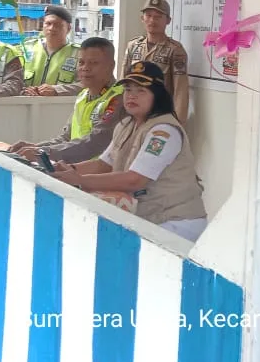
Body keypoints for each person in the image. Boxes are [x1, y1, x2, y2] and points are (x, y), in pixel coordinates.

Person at [48, 61, 207, 242]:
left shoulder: (164, 131)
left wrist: (81, 181)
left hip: (176, 222)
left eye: (141, 91)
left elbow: (135, 180)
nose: (132, 96)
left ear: (158, 96)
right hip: (147, 217)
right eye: (128, 90)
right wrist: (66, 170)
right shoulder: (125, 125)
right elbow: (103, 164)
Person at [7, 37, 126, 164]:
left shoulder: (118, 97)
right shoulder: (83, 96)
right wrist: (35, 147)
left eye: (94, 63)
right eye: (81, 63)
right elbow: (65, 138)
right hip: (76, 171)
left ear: (111, 66)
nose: (85, 68)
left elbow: (96, 143)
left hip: (99, 176)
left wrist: (42, 152)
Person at [120, 0, 190, 122]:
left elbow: (181, 91)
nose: (152, 20)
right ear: (142, 18)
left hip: (160, 114)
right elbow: (123, 82)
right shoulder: (133, 46)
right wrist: (120, 115)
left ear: (168, 20)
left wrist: (178, 123)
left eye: (158, 17)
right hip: (134, 114)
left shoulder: (175, 50)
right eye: (148, 15)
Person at [23, 4, 81, 96]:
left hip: (60, 109)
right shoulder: (26, 49)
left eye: (58, 25)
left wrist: (57, 90)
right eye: (48, 24)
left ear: (68, 28)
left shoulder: (79, 54)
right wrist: (24, 90)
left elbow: (87, 85)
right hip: (27, 107)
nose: (51, 28)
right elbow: (12, 80)